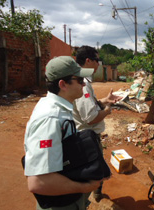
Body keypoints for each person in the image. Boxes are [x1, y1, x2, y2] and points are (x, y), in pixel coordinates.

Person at [24, 56, 103, 210]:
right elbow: (38, 182)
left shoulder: (58, 108)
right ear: (63, 84)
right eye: (80, 80)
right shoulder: (51, 118)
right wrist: (84, 187)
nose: (84, 83)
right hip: (60, 204)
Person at [73, 45, 122, 201]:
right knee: (92, 173)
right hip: (87, 138)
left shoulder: (82, 80)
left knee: (94, 170)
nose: (98, 64)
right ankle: (86, 200)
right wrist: (107, 110)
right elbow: (90, 117)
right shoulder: (82, 83)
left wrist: (105, 101)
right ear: (88, 61)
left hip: (84, 136)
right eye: (97, 61)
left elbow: (90, 105)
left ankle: (96, 195)